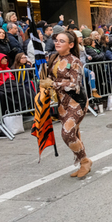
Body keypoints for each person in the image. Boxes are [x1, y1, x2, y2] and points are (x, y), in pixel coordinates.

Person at [40, 31, 92, 178]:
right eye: (56, 40)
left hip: (76, 102)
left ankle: (85, 161)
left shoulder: (75, 61)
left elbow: (74, 84)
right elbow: (48, 77)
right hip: (62, 104)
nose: (57, 43)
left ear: (70, 45)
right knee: (74, 133)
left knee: (67, 134)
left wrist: (53, 84)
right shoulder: (53, 58)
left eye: (61, 41)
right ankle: (83, 163)